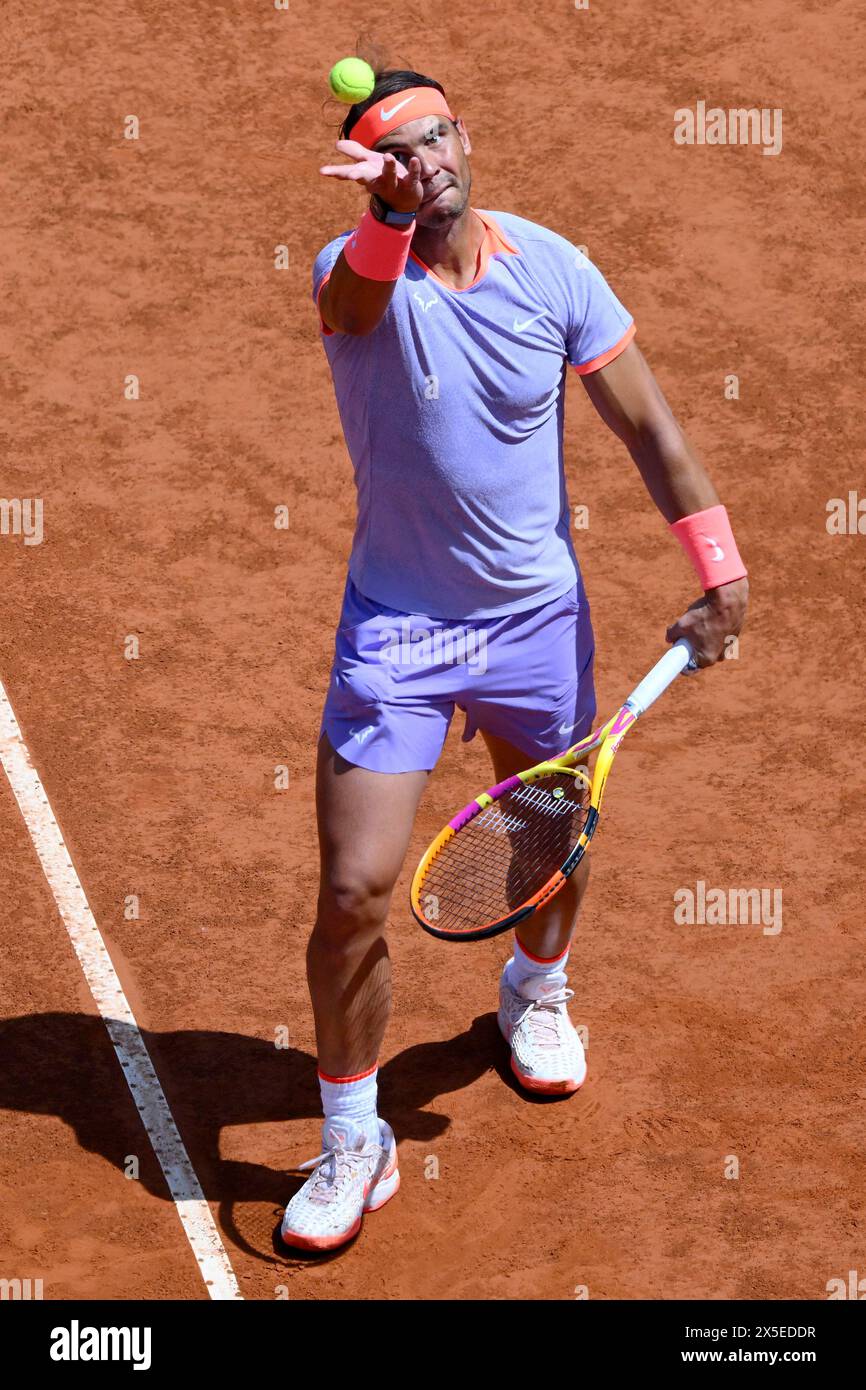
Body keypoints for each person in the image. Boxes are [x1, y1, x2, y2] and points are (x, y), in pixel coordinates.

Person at [281, 64, 748, 1251]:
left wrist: (718, 566)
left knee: (554, 832)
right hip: (397, 629)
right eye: (397, 153)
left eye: (436, 137)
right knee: (350, 893)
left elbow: (644, 422)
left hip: (533, 621)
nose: (425, 160)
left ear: (465, 138)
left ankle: (535, 989)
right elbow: (352, 308)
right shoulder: (353, 275)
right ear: (373, 183)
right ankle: (352, 1138)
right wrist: (382, 217)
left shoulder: (552, 266)